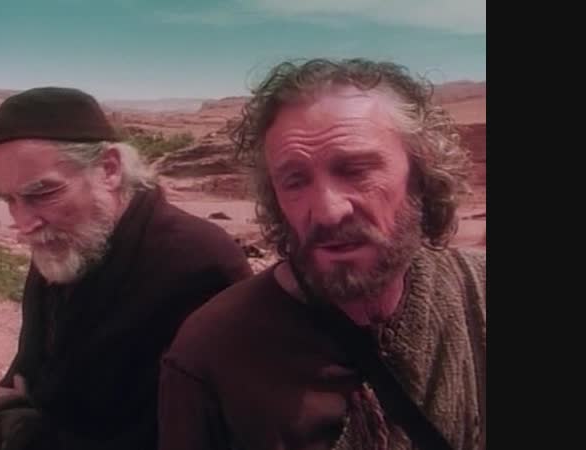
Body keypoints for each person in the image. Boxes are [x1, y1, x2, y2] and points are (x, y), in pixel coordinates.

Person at [157, 58, 486, 450]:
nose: (328, 211)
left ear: (421, 174)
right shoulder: (211, 356)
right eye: (294, 181)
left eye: (356, 170)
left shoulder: (476, 292)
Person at [0, 87, 253, 450]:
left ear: (109, 169)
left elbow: (189, 433)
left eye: (43, 194)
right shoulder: (69, 245)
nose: (23, 223)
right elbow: (33, 371)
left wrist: (14, 426)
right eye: (10, 200)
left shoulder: (198, 263)